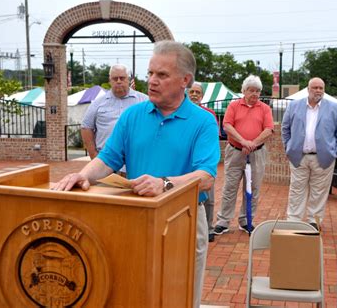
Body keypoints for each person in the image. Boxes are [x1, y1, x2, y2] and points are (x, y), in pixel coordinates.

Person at [52, 41, 220, 307]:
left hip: (183, 221)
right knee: (133, 291)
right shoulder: (132, 115)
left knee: (181, 297)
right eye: (150, 73)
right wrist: (84, 175)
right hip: (135, 217)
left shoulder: (203, 121)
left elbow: (206, 176)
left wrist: (165, 183)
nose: (152, 81)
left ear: (185, 80)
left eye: (162, 75)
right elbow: (108, 158)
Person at [281, 77, 337, 229]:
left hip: (323, 158)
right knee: (296, 190)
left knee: (319, 192)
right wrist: (288, 148)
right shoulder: (294, 106)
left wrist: (333, 153)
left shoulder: (334, 108)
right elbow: (285, 129)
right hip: (299, 156)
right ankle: (293, 221)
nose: (318, 90)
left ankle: (313, 222)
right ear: (308, 89)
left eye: (321, 88)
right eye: (315, 87)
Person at [214, 75, 274, 235]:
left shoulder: (264, 108)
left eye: (258, 91)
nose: (255, 94)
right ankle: (223, 221)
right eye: (251, 90)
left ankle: (246, 220)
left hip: (257, 153)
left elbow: (268, 129)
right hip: (235, 151)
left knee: (253, 188)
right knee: (229, 187)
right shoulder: (234, 106)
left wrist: (253, 143)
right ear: (244, 91)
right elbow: (227, 126)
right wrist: (243, 141)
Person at [81, 64, 147, 161]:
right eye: (115, 78)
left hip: (135, 161)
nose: (119, 81)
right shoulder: (98, 103)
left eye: (122, 78)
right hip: (105, 161)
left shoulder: (144, 101)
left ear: (128, 79)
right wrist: (93, 155)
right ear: (110, 80)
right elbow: (86, 127)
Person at [188, 82, 219, 242]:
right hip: (186, 164)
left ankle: (209, 228)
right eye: (192, 91)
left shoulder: (209, 114)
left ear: (202, 96)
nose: (194, 94)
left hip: (204, 164)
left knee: (209, 198)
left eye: (197, 92)